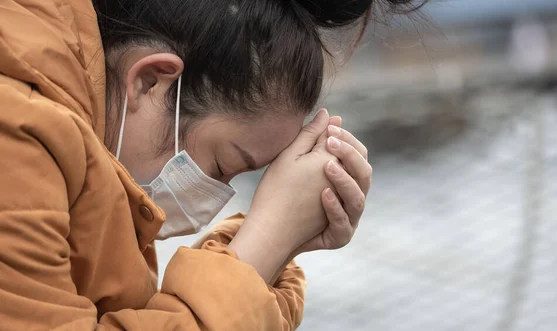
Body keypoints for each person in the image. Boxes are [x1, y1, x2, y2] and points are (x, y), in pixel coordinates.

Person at [0, 0, 423, 329]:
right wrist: (266, 243)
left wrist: (274, 244)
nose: (215, 199)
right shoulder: (18, 129)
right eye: (221, 165)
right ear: (151, 82)